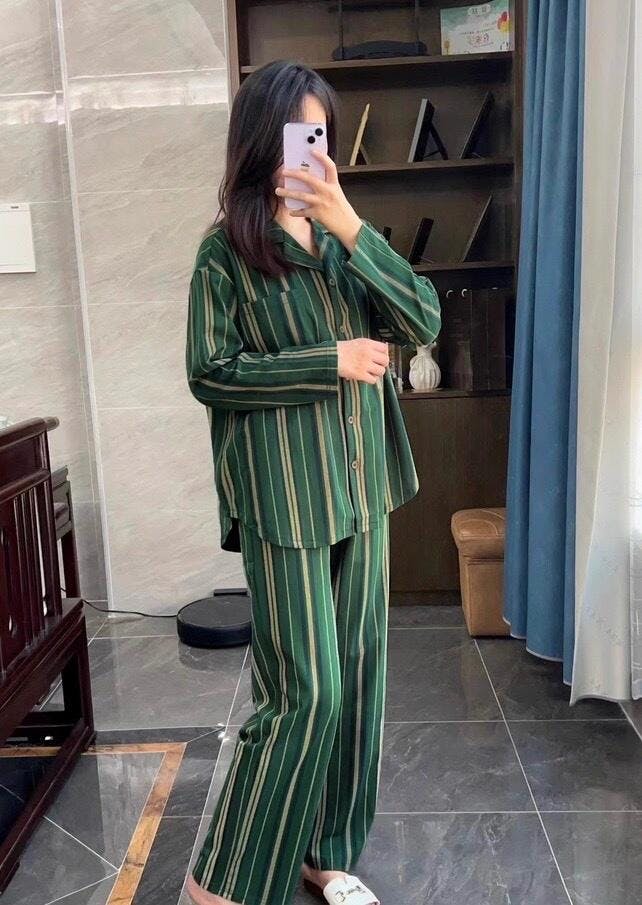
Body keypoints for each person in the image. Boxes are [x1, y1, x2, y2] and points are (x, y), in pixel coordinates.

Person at [185, 59, 441, 905]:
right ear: (263, 140)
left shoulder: (343, 244)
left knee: (358, 683)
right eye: (299, 132)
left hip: (363, 489)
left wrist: (351, 224)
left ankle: (326, 851)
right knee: (305, 692)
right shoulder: (225, 254)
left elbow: (421, 319)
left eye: (321, 134)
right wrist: (323, 361)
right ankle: (220, 876)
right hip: (285, 497)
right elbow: (211, 371)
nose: (312, 149)